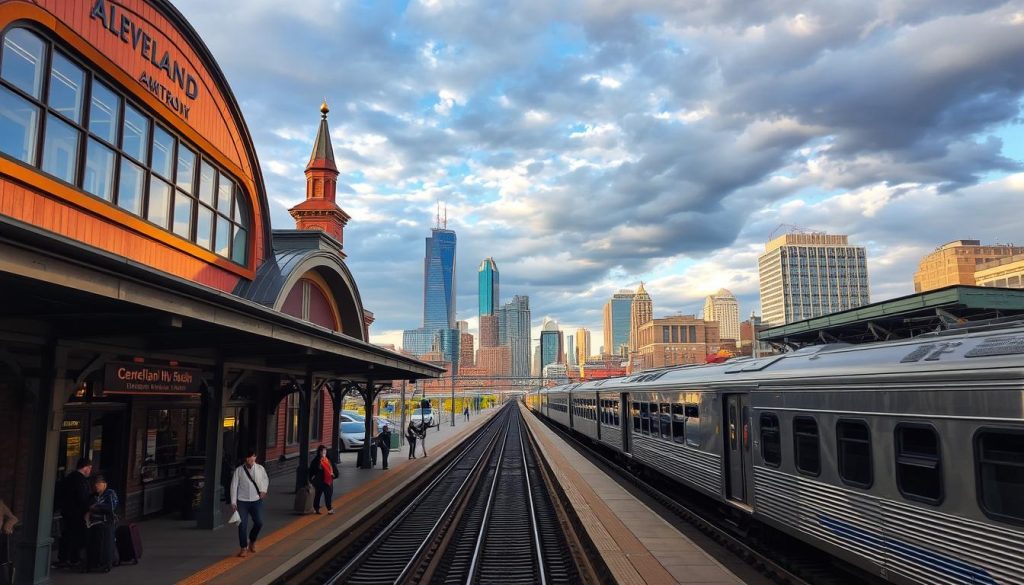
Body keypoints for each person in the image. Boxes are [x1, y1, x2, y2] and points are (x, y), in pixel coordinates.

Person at [230, 450, 269, 558]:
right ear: (245, 459)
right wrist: (233, 502)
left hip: (256, 500)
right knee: (242, 525)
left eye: (252, 456)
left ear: (255, 457)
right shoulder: (239, 470)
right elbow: (234, 486)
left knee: (259, 522)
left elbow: (265, 480)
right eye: (248, 457)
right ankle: (243, 547)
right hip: (242, 501)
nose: (250, 459)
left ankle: (252, 540)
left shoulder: (260, 469)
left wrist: (264, 490)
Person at [56, 458, 92, 568]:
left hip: (67, 512)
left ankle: (63, 558)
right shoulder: (80, 480)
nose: (90, 471)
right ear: (85, 468)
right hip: (77, 513)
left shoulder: (69, 477)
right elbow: (82, 498)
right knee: (76, 536)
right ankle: (74, 559)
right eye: (90, 468)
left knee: (66, 535)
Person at [85, 475, 117, 573]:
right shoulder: (93, 496)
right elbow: (88, 507)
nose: (96, 486)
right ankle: (93, 563)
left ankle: (106, 564)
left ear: (104, 484)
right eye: (95, 484)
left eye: (98, 484)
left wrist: (97, 507)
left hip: (106, 522)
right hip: (94, 523)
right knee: (94, 543)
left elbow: (111, 507)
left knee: (106, 543)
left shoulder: (110, 493)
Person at [307, 445, 339, 515]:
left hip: (328, 481)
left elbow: (333, 468)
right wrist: (310, 480)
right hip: (319, 482)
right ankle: (316, 508)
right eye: (322, 451)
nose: (323, 452)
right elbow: (312, 471)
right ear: (319, 452)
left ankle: (329, 509)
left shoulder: (328, 459)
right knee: (318, 495)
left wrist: (335, 474)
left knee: (328, 495)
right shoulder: (316, 461)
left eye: (325, 451)